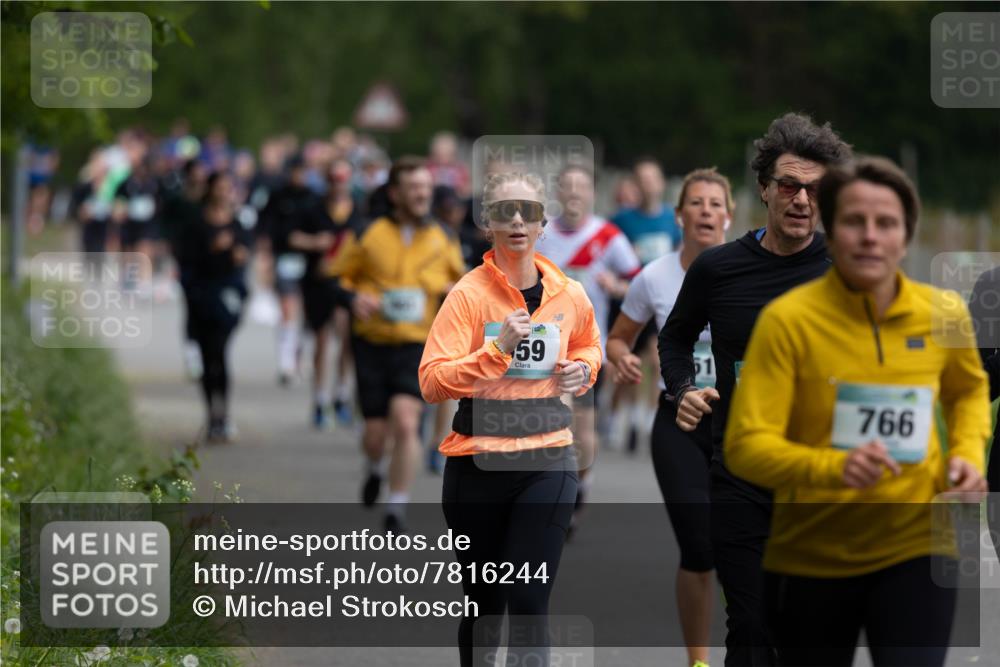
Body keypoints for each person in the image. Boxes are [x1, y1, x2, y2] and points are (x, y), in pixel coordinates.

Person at [725, 156, 990, 666]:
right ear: (832, 228)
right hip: (812, 553)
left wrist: (967, 454)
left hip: (919, 545)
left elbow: (969, 392)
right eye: (854, 221)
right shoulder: (787, 322)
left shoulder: (944, 315)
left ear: (905, 237)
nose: (870, 236)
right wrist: (833, 466)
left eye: (886, 223)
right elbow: (745, 445)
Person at [659, 112, 852, 666]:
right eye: (789, 185)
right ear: (765, 189)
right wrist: (683, 388)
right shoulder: (719, 269)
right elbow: (674, 340)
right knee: (750, 627)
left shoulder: (845, 270)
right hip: (742, 475)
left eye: (815, 190)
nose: (801, 200)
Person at [419, 171, 602, 667]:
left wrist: (582, 369)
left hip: (548, 460)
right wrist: (497, 350)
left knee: (527, 602)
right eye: (504, 210)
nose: (517, 219)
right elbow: (432, 382)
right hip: (476, 464)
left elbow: (589, 344)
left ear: (543, 223)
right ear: (488, 224)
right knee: (486, 606)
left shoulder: (570, 293)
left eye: (528, 210)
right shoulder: (468, 295)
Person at [608, 167, 732, 667]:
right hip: (677, 423)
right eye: (696, 203)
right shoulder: (654, 277)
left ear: (730, 214)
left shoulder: (747, 272)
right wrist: (621, 356)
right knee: (699, 546)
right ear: (679, 215)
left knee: (744, 543)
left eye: (715, 203)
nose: (705, 211)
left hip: (740, 423)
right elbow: (618, 335)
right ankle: (698, 660)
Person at [328, 156, 465, 533]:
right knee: (375, 436)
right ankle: (374, 468)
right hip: (371, 343)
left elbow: (467, 286)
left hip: (418, 345)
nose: (423, 194)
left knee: (406, 422)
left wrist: (452, 291)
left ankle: (397, 504)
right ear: (395, 193)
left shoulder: (443, 237)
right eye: (414, 188)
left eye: (426, 187)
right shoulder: (367, 232)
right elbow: (335, 278)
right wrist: (353, 298)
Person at [535, 164, 640, 522]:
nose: (574, 194)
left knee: (582, 428)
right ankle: (547, 496)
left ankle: (580, 485)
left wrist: (616, 286)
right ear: (558, 192)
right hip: (544, 345)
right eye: (568, 187)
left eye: (582, 187)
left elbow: (637, 284)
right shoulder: (542, 231)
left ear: (593, 193)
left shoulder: (609, 237)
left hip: (586, 347)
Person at [610, 157, 683, 453]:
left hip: (662, 298)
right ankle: (617, 415)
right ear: (635, 185)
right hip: (631, 297)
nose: (648, 184)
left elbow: (681, 252)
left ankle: (647, 418)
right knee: (628, 363)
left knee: (658, 360)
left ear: (662, 183)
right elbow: (609, 253)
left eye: (653, 178)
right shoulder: (622, 221)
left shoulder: (672, 219)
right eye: (642, 179)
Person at [290, 159, 366, 428]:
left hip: (346, 284)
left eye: (342, 179)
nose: (338, 184)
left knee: (346, 338)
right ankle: (320, 399)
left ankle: (342, 394)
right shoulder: (313, 208)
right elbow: (292, 236)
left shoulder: (358, 211)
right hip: (318, 282)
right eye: (334, 179)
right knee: (321, 339)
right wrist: (315, 243)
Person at [181, 171, 252, 442]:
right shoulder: (196, 224)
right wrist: (212, 248)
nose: (224, 193)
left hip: (227, 298)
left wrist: (237, 253)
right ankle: (211, 412)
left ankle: (223, 414)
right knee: (207, 357)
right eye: (220, 188)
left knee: (220, 353)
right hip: (201, 296)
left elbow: (245, 254)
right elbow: (186, 260)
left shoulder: (238, 224)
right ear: (210, 191)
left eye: (228, 188)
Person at [261, 155, 319, 385]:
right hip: (285, 258)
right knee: (287, 308)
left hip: (308, 261)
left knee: (306, 315)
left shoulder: (314, 198)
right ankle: (285, 363)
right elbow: (267, 228)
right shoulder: (277, 196)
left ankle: (297, 359)